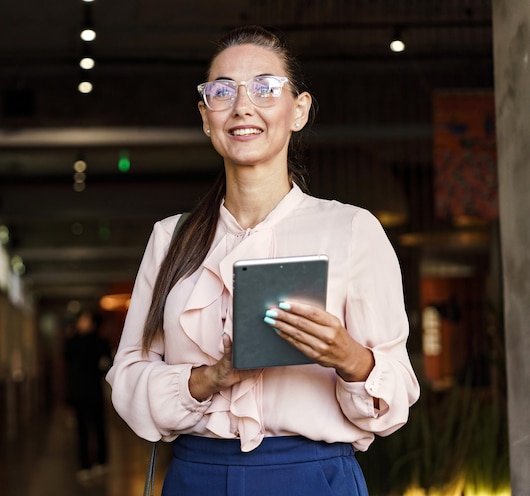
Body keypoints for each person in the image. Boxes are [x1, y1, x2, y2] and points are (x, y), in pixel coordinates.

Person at [107, 25, 420, 495]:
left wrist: (349, 357)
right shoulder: (171, 238)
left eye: (265, 88)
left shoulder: (351, 230)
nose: (243, 107)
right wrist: (209, 378)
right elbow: (127, 381)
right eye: (222, 91)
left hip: (314, 476)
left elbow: (397, 395)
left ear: (299, 110)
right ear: (205, 116)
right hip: (198, 477)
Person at [64, 309, 112, 483]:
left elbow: (106, 365)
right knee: (82, 430)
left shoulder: (100, 342)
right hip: (78, 391)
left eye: (86, 320)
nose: (82, 323)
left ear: (92, 323)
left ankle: (102, 461)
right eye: (80, 320)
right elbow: (68, 363)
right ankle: (85, 465)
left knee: (99, 427)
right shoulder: (72, 342)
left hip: (95, 391)